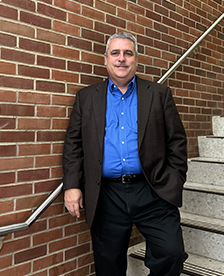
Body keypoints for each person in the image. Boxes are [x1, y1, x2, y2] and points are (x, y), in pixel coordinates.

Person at [62, 32, 188, 276]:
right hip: (105, 194)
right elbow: (73, 144)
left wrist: (174, 181)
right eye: (115, 53)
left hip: (152, 190)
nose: (122, 59)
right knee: (108, 265)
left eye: (128, 53)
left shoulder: (159, 94)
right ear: (106, 60)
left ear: (136, 60)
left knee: (171, 253)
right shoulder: (86, 97)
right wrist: (72, 185)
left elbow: (177, 142)